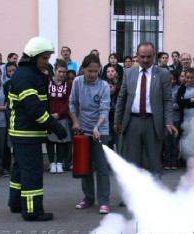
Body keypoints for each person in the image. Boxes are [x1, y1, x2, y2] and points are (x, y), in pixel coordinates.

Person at [7, 37, 67, 221]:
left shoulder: (27, 73)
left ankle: (16, 203)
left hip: (22, 132)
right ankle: (33, 211)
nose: (47, 62)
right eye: (45, 58)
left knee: (20, 169)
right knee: (32, 172)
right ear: (33, 57)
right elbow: (34, 109)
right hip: (27, 134)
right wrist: (55, 126)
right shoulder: (26, 76)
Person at [114, 42, 179, 179]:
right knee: (131, 164)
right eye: (142, 56)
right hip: (132, 122)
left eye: (148, 57)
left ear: (154, 56)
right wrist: (117, 121)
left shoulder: (163, 73)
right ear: (137, 56)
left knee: (154, 163)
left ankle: (154, 197)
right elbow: (122, 98)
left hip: (153, 123)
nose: (145, 60)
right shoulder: (129, 72)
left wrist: (168, 122)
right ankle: (130, 199)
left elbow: (167, 100)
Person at [69, 54, 111, 214]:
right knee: (84, 165)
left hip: (100, 130)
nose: (92, 74)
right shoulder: (77, 82)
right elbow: (72, 103)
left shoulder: (104, 86)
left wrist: (97, 127)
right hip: (83, 129)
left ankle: (104, 202)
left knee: (101, 167)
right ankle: (88, 198)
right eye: (89, 71)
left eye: (95, 71)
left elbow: (105, 109)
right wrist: (75, 121)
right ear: (83, 69)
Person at [47, 60, 72, 174]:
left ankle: (60, 163)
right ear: (54, 71)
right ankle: (52, 163)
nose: (62, 74)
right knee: (50, 140)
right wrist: (49, 113)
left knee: (61, 140)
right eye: (60, 71)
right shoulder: (47, 82)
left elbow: (68, 101)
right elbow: (44, 98)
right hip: (49, 116)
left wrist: (59, 113)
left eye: (64, 72)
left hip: (62, 116)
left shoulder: (69, 84)